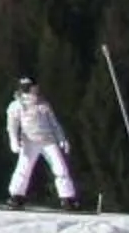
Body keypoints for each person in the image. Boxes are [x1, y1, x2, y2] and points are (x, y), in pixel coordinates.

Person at [5, 77, 78, 209]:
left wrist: (62, 139)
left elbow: (54, 124)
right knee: (23, 169)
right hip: (29, 142)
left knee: (60, 168)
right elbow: (12, 126)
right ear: (28, 88)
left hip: (48, 141)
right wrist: (14, 141)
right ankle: (16, 196)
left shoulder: (43, 104)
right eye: (34, 87)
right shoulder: (16, 105)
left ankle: (67, 198)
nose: (37, 89)